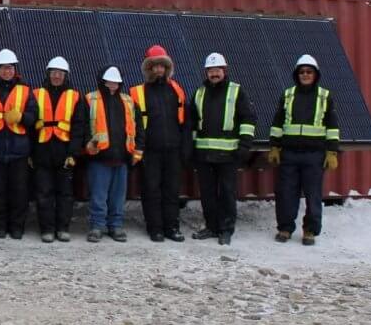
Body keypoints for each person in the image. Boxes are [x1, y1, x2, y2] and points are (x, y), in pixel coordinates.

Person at [268, 54, 340, 246]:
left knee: (313, 194)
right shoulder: (287, 94)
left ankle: (310, 231)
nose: (305, 75)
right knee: (286, 193)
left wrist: (332, 151)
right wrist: (275, 146)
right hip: (289, 153)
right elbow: (277, 123)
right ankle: (285, 228)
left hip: (314, 155)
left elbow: (332, 125)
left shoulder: (325, 96)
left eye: (309, 72)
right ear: (296, 74)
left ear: (315, 74)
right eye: (302, 72)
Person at [189, 53, 257, 246]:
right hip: (204, 155)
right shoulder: (199, 93)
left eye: (217, 70)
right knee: (207, 194)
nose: (214, 74)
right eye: (211, 70)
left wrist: (244, 145)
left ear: (224, 71)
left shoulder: (236, 91)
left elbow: (248, 118)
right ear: (206, 72)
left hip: (229, 155)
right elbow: (192, 123)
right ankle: (211, 227)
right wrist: (192, 149)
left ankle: (226, 230)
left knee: (227, 193)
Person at [130, 45, 189, 242]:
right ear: (148, 69)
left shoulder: (177, 90)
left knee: (172, 191)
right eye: (154, 67)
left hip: (173, 150)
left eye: (161, 66)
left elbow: (185, 121)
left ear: (167, 68)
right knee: (151, 191)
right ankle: (155, 228)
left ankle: (172, 227)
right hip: (150, 151)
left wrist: (184, 147)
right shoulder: (137, 93)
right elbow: (133, 125)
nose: (158, 70)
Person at [84, 66, 144, 243]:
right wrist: (87, 144)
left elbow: (139, 128)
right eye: (109, 82)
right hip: (99, 157)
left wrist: (138, 151)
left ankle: (115, 226)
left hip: (122, 157)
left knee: (118, 196)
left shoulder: (129, 101)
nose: (112, 85)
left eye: (116, 82)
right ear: (102, 81)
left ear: (120, 83)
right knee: (98, 196)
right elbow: (82, 127)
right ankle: (97, 226)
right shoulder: (90, 99)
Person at [31, 57, 85, 243]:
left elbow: (79, 128)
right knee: (43, 192)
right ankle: (46, 229)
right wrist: (31, 153)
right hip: (42, 150)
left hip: (64, 150)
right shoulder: (36, 94)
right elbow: (29, 126)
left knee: (65, 193)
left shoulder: (76, 96)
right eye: (53, 72)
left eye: (60, 73)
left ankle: (62, 228)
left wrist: (73, 153)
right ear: (48, 74)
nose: (56, 76)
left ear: (65, 76)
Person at [0, 49, 37, 239]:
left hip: (19, 151)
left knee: (19, 191)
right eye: (3, 68)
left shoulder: (25, 90)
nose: (7, 72)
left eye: (10, 68)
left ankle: (17, 227)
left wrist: (22, 117)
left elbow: (34, 117)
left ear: (15, 69)